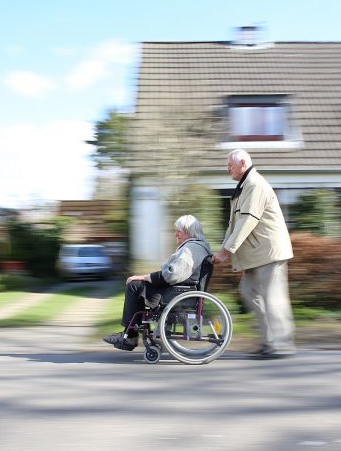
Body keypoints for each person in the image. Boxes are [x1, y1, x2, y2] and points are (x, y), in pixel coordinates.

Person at [212, 149, 296, 359]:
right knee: (249, 291)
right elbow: (234, 225)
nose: (227, 168)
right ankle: (270, 341)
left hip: (269, 252)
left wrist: (226, 251)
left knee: (273, 298)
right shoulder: (243, 187)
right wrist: (222, 249)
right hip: (256, 255)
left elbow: (248, 221)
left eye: (229, 165)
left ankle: (282, 344)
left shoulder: (255, 184)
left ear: (242, 163)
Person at [104, 214, 212, 351]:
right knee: (137, 286)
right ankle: (130, 334)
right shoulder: (196, 247)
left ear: (189, 232)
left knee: (134, 285)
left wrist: (145, 277)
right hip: (177, 290)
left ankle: (129, 336)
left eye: (179, 231)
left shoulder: (191, 249)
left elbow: (173, 274)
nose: (176, 234)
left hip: (176, 292)